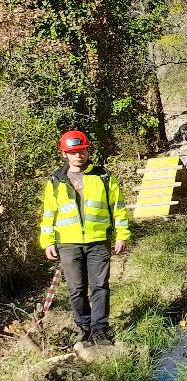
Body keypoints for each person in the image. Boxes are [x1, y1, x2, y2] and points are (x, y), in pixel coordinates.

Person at [39, 130, 131, 345]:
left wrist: (122, 235)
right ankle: (85, 329)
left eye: (81, 151)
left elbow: (118, 209)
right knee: (76, 289)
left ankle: (100, 330)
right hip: (68, 244)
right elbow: (48, 214)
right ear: (65, 154)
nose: (78, 155)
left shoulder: (104, 177)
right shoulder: (56, 181)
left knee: (100, 286)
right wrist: (48, 241)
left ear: (88, 150)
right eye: (72, 152)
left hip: (98, 241)